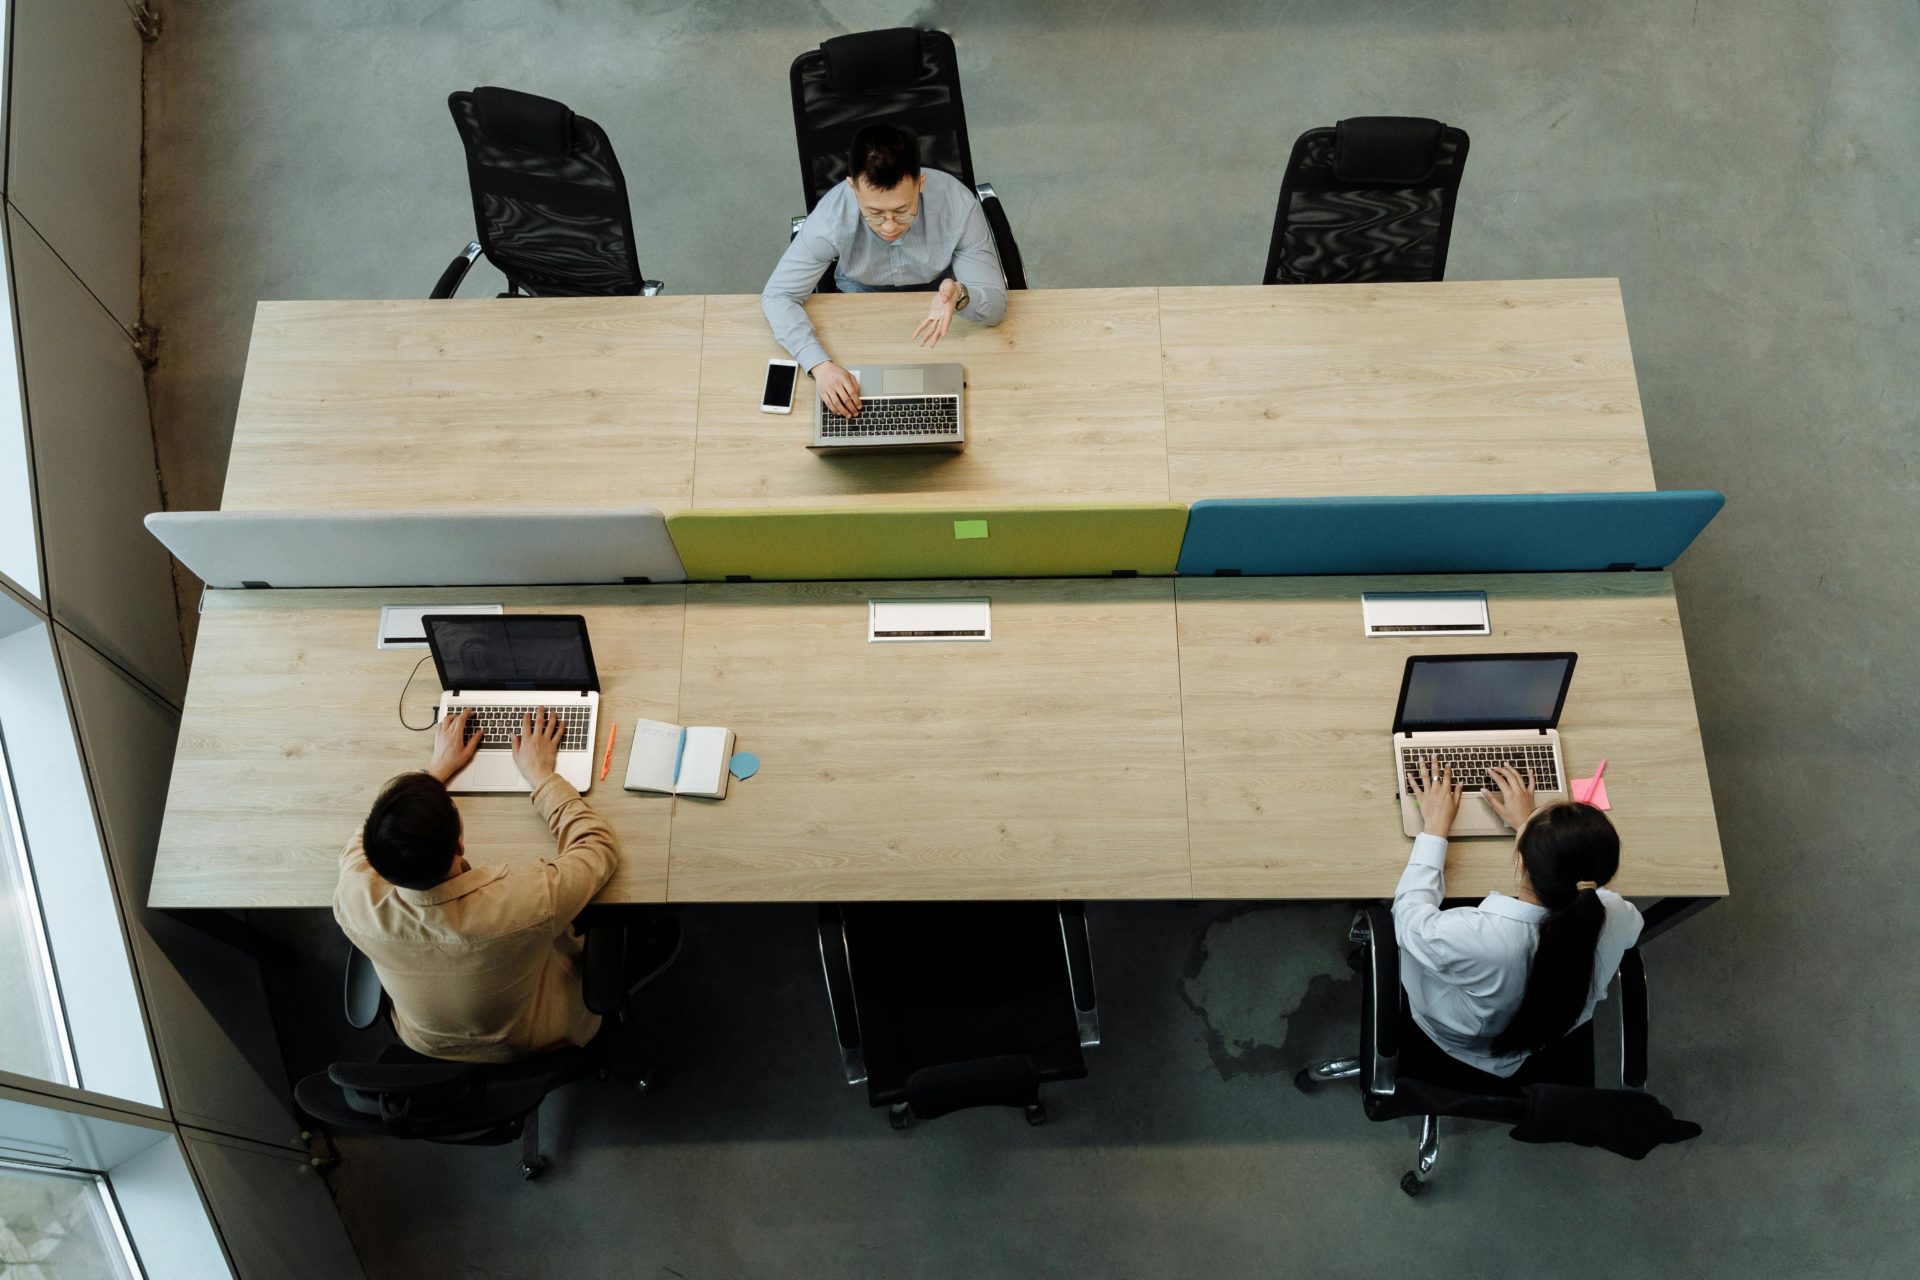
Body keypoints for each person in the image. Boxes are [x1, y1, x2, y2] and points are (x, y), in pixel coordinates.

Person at [333, 707, 676, 1063]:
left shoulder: (353, 898)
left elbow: (369, 835)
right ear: (460, 845)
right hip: (533, 1040)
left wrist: (432, 778)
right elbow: (596, 847)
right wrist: (541, 775)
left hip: (426, 1043)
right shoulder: (523, 900)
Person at [1395, 759, 1643, 1077]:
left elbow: (1407, 919)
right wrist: (1534, 830)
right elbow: (1626, 922)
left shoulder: (1477, 937)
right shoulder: (1617, 917)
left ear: (1521, 864)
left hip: (1459, 1038)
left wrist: (1434, 830)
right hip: (1534, 1038)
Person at [763, 122, 1008, 419]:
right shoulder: (831, 215)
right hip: (860, 308)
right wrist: (819, 365)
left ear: (921, 183)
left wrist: (961, 294)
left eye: (902, 211)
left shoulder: (958, 205)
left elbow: (996, 308)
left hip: (940, 308)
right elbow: (778, 296)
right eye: (875, 214)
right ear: (853, 187)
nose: (890, 227)